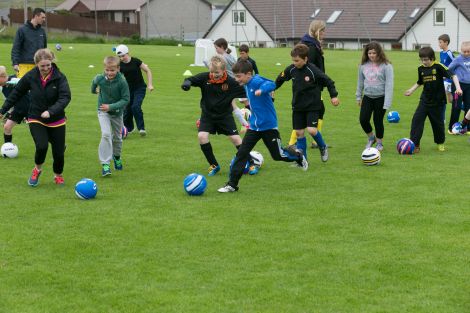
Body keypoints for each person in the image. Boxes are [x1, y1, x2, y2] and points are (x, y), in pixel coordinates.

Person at [217, 60, 308, 193]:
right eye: (235, 76)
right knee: (241, 153)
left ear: (248, 74)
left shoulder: (256, 81)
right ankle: (232, 185)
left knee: (278, 155)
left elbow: (272, 84)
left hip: (269, 126)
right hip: (254, 127)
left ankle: (298, 156)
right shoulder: (246, 84)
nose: (237, 79)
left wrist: (262, 90)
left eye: (239, 76)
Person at [0, 48, 71, 186]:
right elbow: (17, 93)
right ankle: (37, 170)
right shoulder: (31, 76)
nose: (45, 68)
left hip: (56, 119)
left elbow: (65, 97)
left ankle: (58, 175)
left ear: (52, 62)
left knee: (58, 152)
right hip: (36, 117)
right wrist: (3, 110)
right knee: (42, 145)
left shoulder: (60, 77)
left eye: (48, 65)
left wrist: (51, 111)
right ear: (36, 64)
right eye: (42, 66)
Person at [181, 55, 254, 176]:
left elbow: (245, 92)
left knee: (236, 139)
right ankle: (214, 165)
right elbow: (190, 79)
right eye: (212, 72)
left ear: (224, 70)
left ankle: (251, 163)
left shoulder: (231, 82)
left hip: (224, 116)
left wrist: (254, 100)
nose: (214, 74)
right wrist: (187, 84)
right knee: (202, 136)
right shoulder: (205, 78)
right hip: (208, 115)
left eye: (217, 72)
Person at [275, 44, 339, 163]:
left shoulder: (312, 70)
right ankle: (303, 160)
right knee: (299, 133)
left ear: (305, 59)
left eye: (297, 61)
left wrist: (333, 95)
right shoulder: (291, 69)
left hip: (313, 106)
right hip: (298, 106)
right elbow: (280, 79)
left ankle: (323, 147)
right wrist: (272, 89)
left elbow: (328, 81)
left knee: (312, 130)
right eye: (293, 60)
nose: (294, 63)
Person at [404, 47, 462, 153]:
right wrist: (411, 90)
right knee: (416, 120)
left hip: (438, 102)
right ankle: (415, 145)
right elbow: (420, 82)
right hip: (425, 100)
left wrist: (458, 88)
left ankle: (440, 143)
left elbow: (453, 75)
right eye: (422, 59)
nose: (424, 62)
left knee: (437, 124)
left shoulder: (438, 66)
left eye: (426, 59)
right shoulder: (421, 68)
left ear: (432, 58)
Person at [289, 20, 327, 148]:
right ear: (316, 31)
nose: (324, 33)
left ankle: (312, 141)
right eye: (322, 30)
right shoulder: (310, 47)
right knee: (311, 112)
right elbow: (306, 68)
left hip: (313, 85)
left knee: (319, 110)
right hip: (310, 86)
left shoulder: (312, 44)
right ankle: (293, 143)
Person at [91, 56, 130, 176]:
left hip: (117, 113)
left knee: (117, 138)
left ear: (118, 68)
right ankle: (105, 164)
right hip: (103, 111)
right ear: (104, 68)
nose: (109, 73)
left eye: (112, 70)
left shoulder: (122, 81)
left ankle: (117, 157)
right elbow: (94, 83)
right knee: (106, 134)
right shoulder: (100, 78)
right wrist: (94, 90)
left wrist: (111, 106)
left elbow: (126, 99)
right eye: (107, 70)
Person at [355, 42, 394, 151]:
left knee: (378, 121)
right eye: (369, 53)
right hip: (367, 97)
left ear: (379, 53)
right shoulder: (363, 66)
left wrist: (387, 102)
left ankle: (379, 143)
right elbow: (360, 82)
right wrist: (358, 96)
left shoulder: (387, 66)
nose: (372, 55)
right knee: (363, 119)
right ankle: (371, 138)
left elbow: (389, 85)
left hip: (381, 98)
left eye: (374, 53)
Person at [115, 44, 154, 137]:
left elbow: (148, 71)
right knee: (127, 110)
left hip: (140, 88)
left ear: (128, 53)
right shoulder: (120, 65)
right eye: (119, 56)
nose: (121, 58)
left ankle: (141, 128)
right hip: (127, 90)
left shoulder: (136, 61)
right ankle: (128, 128)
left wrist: (150, 84)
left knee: (135, 106)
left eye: (123, 55)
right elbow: (116, 77)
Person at [11, 8, 47, 78]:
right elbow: (16, 48)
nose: (44, 19)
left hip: (38, 66)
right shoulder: (22, 30)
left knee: (38, 88)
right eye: (42, 17)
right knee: (23, 88)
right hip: (24, 65)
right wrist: (15, 63)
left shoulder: (42, 31)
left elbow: (44, 50)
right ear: (36, 16)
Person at [0, 66, 30, 144]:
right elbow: (10, 101)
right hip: (18, 110)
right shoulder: (2, 87)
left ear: (3, 77)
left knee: (37, 131)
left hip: (29, 108)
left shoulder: (16, 80)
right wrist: (7, 112)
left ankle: (58, 144)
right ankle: (7, 148)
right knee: (7, 127)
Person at [438, 34, 458, 132]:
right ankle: (465, 109)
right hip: (444, 80)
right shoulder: (441, 53)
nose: (439, 44)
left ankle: (443, 119)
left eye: (440, 42)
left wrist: (448, 74)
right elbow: (442, 65)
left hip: (448, 81)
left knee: (442, 99)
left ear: (446, 42)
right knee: (450, 100)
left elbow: (456, 63)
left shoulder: (449, 53)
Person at [449, 41, 470, 129]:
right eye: (464, 51)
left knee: (468, 107)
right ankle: (452, 127)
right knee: (456, 106)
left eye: (468, 51)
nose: (466, 53)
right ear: (461, 50)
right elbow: (449, 69)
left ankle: (467, 127)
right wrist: (455, 78)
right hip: (458, 86)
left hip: (469, 86)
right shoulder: (458, 59)